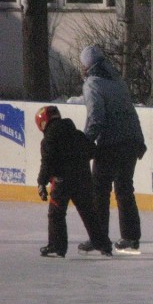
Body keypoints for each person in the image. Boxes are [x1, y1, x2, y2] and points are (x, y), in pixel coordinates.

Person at [78, 45, 147, 254]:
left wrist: (85, 143)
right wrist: (139, 141)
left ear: (87, 66)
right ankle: (131, 238)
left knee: (99, 189)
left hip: (111, 142)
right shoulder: (117, 80)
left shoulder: (92, 84)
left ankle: (99, 238)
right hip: (132, 140)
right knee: (124, 188)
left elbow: (96, 117)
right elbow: (130, 112)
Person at [35, 105, 112, 257]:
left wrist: (41, 182)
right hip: (83, 180)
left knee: (56, 214)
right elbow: (92, 151)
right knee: (89, 213)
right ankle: (104, 245)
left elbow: (47, 162)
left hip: (61, 182)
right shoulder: (77, 134)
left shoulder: (48, 139)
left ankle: (57, 247)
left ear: (43, 123)